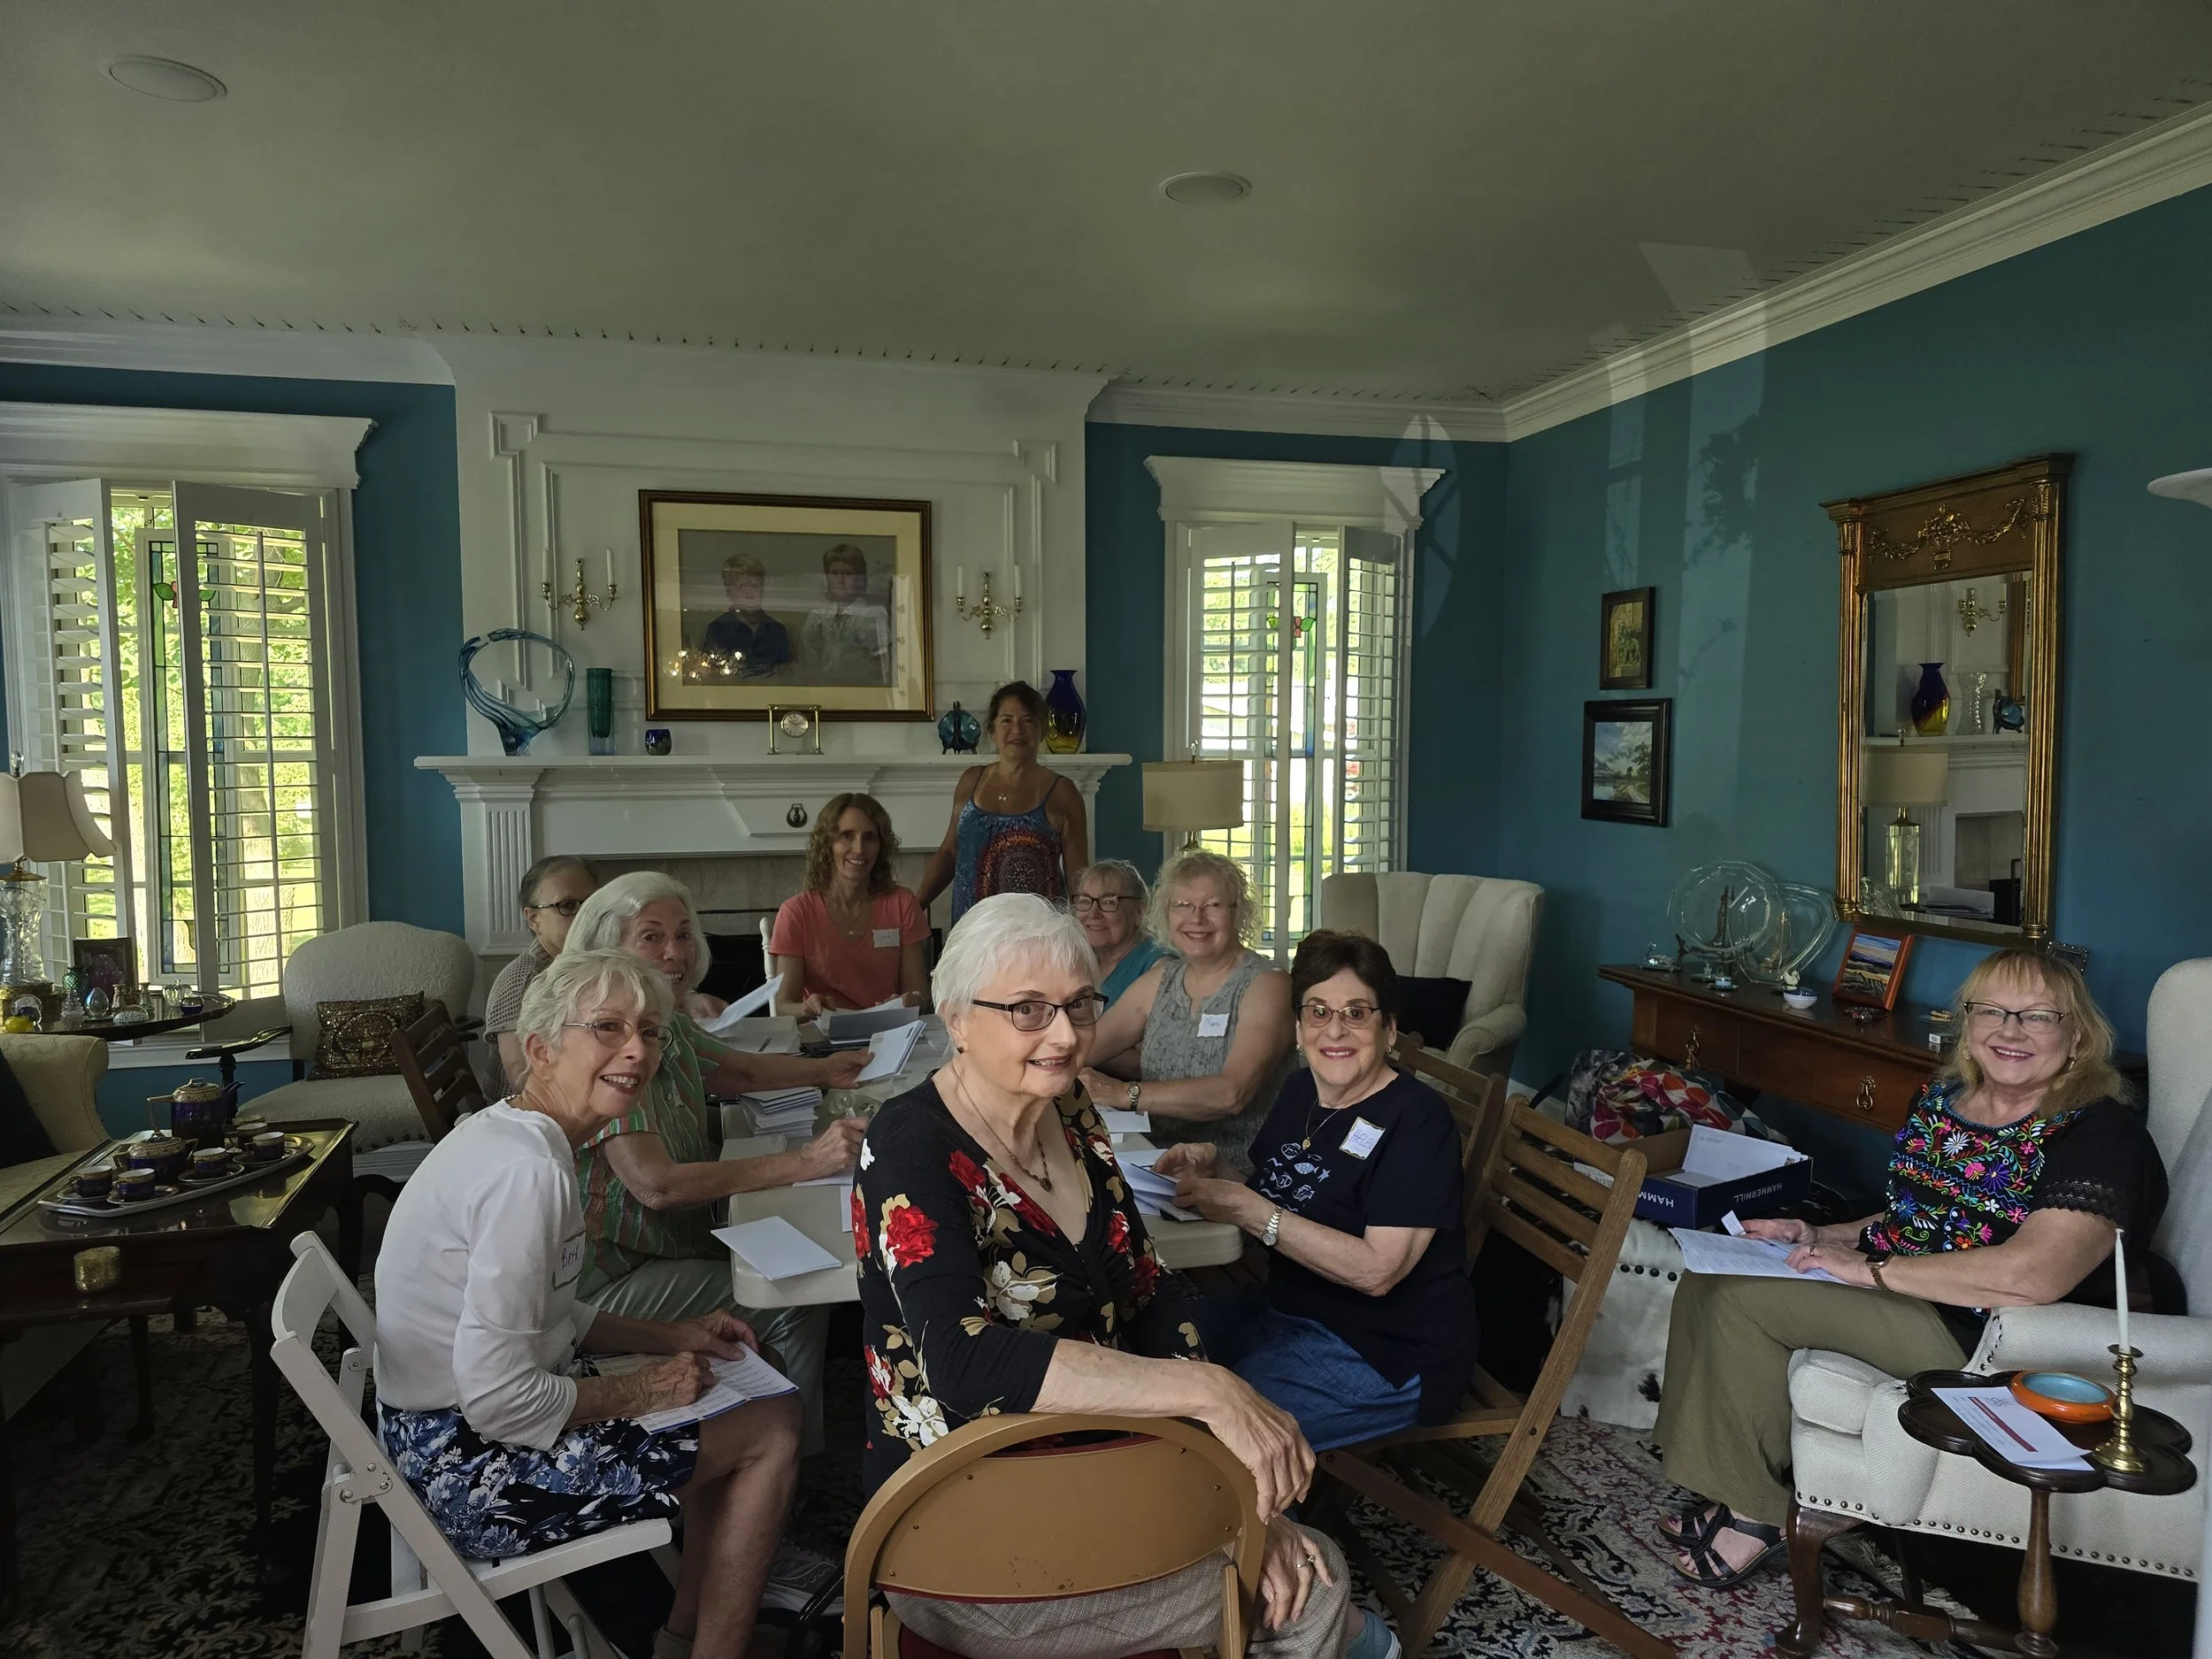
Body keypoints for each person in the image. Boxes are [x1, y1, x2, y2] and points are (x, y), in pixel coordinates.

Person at [854, 895, 1396, 1659]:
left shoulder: (1068, 1107)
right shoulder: (910, 1142)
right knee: (1316, 1587)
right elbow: (963, 1360)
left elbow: (1149, 1287)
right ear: (955, 1016)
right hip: (965, 1529)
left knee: (1290, 1556)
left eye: (1079, 1004)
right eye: (1029, 1009)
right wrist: (1214, 1394)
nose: (1068, 1034)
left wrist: (1233, 1482)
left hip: (1102, 1467)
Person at [1655, 949, 2170, 1588]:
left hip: (1994, 1333)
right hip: (1913, 1293)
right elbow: (1915, 1220)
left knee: (1740, 1301)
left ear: (2077, 1037)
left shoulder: (2101, 1133)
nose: (2010, 1032)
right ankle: (1732, 1484)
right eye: (1993, 1012)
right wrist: (1820, 1233)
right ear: (1968, 1021)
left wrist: (1870, 1272)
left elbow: (2033, 1275)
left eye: (2038, 1016)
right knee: (1707, 1277)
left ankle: (1756, 1515)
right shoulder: (1945, 1097)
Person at [374, 949, 800, 1659]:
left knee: (758, 1368)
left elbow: (546, 1315)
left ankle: (687, 1635)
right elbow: (500, 1401)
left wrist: (673, 1335)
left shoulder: (517, 1137)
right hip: (469, 1471)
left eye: (650, 1031)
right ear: (540, 1050)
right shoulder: (526, 1175)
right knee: (773, 1427)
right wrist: (645, 1387)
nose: (636, 1050)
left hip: (438, 1432)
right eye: (607, 1027)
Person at [565, 872, 870, 1458]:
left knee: (794, 1249)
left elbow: (739, 1072)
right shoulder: (614, 1044)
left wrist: (829, 1069)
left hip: (664, 1245)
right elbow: (656, 1185)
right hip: (606, 1285)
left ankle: (774, 1418)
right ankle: (791, 1468)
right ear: (609, 946)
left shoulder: (664, 1019)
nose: (674, 952)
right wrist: (805, 1160)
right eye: (650, 937)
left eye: (683, 934)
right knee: (793, 1295)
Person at [1160, 930, 1477, 1453]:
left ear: (1390, 1029)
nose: (1336, 1030)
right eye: (1318, 1012)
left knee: (1205, 1440)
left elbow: (1378, 1271)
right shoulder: (1301, 1091)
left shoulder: (1419, 1120)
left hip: (1380, 1350)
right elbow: (1284, 1201)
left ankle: (1267, 1529)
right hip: (1282, 1311)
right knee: (1145, 1346)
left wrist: (1247, 1209)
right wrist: (1221, 1174)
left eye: (1357, 1013)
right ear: (1300, 1027)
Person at [1079, 848, 1294, 1176]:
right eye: (1183, 905)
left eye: (1213, 905)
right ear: (1166, 913)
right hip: (1154, 1163)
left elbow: (1231, 1093)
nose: (1197, 919)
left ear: (1238, 913)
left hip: (1237, 1174)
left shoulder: (1267, 985)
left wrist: (1124, 1093)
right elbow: (1085, 1046)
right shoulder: (1160, 981)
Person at [918, 680, 1091, 924]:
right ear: (992, 731)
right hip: (973, 934)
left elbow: (1078, 878)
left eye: (1028, 720)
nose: (1017, 730)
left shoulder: (1063, 792)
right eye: (1007, 720)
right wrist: (916, 906)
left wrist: (1084, 936)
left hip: (1036, 937)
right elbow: (949, 851)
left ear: (1041, 730)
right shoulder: (971, 780)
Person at [768, 792, 929, 1017]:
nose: (859, 849)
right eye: (847, 836)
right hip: (823, 1039)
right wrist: (808, 1007)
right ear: (828, 844)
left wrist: (911, 1000)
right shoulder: (796, 913)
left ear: (881, 846)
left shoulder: (902, 904)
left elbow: (920, 994)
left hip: (889, 1031)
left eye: (870, 837)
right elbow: (783, 1005)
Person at [482, 853, 598, 1101]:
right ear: (533, 918)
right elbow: (520, 1079)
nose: (583, 917)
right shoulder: (519, 982)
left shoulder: (585, 964)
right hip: (525, 1116)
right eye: (567, 906)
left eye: (590, 905)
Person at [1076, 858, 1167, 1006]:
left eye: (1108, 902)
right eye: (1085, 901)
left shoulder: (1158, 967)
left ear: (1139, 911)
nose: (1093, 913)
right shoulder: (1078, 960)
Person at [800, 543, 892, 685]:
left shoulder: (871, 615)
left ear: (860, 578)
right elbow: (810, 665)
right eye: (834, 573)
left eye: (848, 574)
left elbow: (882, 668)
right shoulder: (818, 617)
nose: (840, 581)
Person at [699, 554, 793, 678]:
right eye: (742, 586)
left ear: (762, 588)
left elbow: (786, 677)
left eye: (755, 585)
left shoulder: (777, 631)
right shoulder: (718, 629)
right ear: (729, 591)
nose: (749, 594)